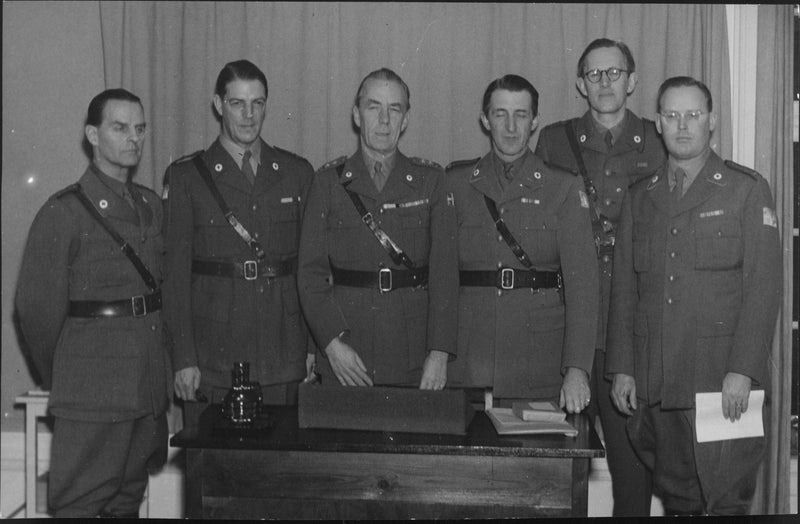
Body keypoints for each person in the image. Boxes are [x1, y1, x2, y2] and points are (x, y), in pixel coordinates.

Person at [606, 76, 781, 516]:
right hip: (659, 382)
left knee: (725, 502)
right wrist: (623, 368)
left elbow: (764, 289)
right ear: (658, 124)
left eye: (693, 115)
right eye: (672, 115)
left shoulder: (745, 190)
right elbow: (625, 291)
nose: (683, 125)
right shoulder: (640, 197)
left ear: (712, 121)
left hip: (721, 384)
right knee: (681, 503)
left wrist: (743, 370)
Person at [15, 89, 170, 517]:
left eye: (139, 129)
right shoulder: (64, 213)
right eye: (119, 128)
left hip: (146, 390)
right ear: (93, 135)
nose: (133, 138)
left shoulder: (150, 207)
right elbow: (35, 312)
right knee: (80, 505)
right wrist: (73, 375)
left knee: (126, 502)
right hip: (93, 392)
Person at [534, 38, 665, 516]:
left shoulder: (658, 138)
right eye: (594, 74)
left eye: (614, 73)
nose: (605, 82)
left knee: (632, 473)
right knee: (552, 470)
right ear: (579, 83)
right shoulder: (553, 140)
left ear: (632, 81)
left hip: (628, 328)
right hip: (565, 321)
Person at [162, 60, 315, 415]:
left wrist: (311, 350)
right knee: (213, 468)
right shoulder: (187, 177)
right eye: (237, 104)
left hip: (283, 352)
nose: (248, 115)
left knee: (283, 466)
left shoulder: (296, 173)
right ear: (218, 105)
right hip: (214, 355)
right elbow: (174, 278)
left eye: (257, 103)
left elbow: (311, 271)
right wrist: (184, 358)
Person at [297, 68, 458, 389]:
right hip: (346, 352)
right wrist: (330, 344)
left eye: (394, 109)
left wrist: (439, 353)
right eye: (374, 107)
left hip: (413, 354)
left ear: (406, 119)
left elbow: (445, 274)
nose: (384, 120)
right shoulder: (328, 183)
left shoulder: (431, 182)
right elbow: (310, 273)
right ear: (357, 115)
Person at [446, 74, 598, 412]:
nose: (511, 126)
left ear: (535, 121)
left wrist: (577, 369)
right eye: (501, 114)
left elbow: (583, 288)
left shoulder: (562, 187)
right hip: (469, 360)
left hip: (537, 361)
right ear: (485, 120)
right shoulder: (456, 184)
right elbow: (441, 280)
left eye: (521, 115)